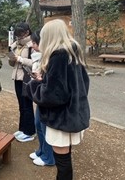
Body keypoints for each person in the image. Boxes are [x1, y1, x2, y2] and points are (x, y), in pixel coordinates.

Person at [26, 19, 90, 180]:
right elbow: (81, 83)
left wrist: (34, 85)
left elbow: (53, 95)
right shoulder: (73, 52)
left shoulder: (58, 56)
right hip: (74, 112)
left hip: (60, 117)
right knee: (66, 157)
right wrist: (46, 81)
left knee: (62, 162)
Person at [28, 30, 55, 166]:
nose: (32, 45)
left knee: (45, 127)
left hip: (47, 98)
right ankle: (42, 151)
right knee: (38, 124)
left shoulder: (53, 57)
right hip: (41, 95)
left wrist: (41, 78)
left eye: (34, 42)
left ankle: (49, 158)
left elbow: (53, 81)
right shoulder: (40, 55)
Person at [8, 22, 35, 142]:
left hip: (27, 79)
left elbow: (36, 63)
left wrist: (21, 59)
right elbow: (12, 64)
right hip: (17, 78)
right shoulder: (16, 45)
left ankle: (29, 132)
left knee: (27, 105)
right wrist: (12, 59)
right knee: (21, 105)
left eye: (21, 34)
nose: (19, 37)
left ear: (27, 32)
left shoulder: (32, 45)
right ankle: (22, 128)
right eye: (17, 35)